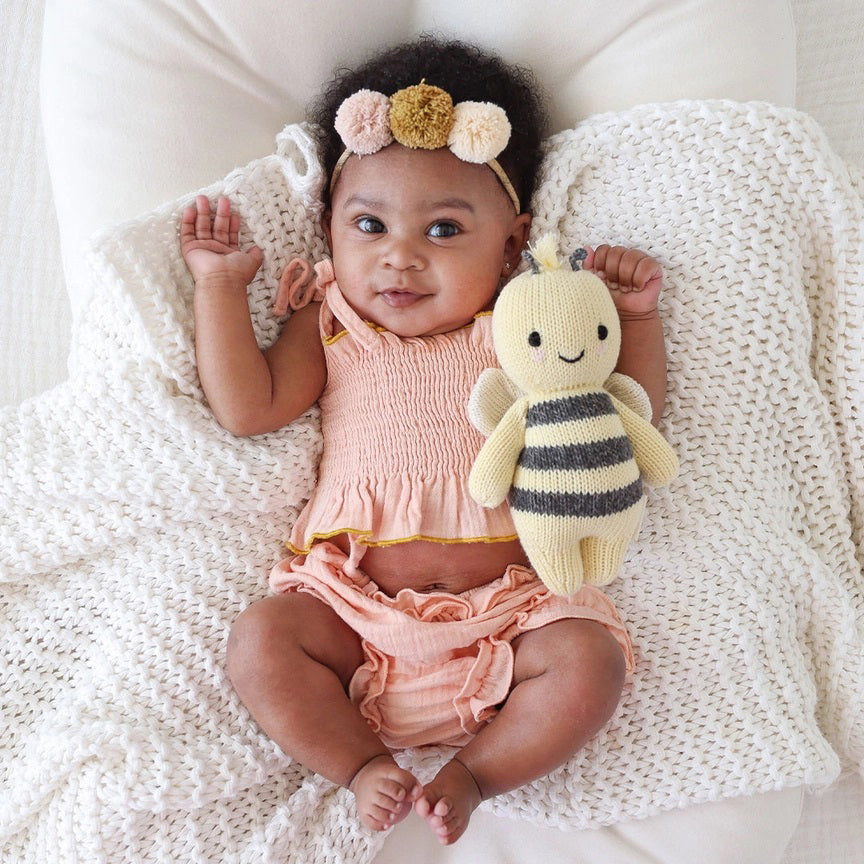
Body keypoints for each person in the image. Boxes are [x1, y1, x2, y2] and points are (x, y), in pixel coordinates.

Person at [181, 38, 667, 846]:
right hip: (354, 615)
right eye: (368, 224)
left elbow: (625, 410)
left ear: (512, 244)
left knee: (591, 663)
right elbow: (249, 406)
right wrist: (220, 289)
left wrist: (637, 317)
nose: (399, 256)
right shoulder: (332, 326)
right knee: (262, 641)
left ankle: (475, 773)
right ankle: (360, 762)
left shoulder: (524, 326)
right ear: (331, 229)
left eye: (444, 229)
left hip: (512, 615)